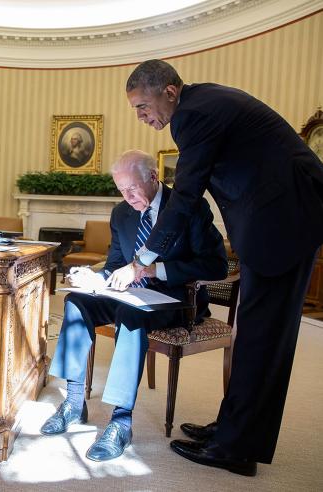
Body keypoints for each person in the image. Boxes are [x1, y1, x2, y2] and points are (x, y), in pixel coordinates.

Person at [123, 59, 323, 476]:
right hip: (276, 223)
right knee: (252, 334)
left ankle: (236, 448)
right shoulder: (203, 104)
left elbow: (186, 199)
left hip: (284, 225)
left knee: (262, 340)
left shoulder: (193, 114)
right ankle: (230, 429)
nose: (141, 116)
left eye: (143, 105)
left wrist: (143, 258)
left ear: (170, 92)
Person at [42, 150, 227, 462]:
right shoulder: (121, 214)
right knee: (76, 303)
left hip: (175, 301)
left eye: (132, 189)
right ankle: (74, 403)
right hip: (130, 295)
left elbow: (216, 266)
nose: (127, 197)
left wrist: (154, 270)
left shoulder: (188, 208)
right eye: (121, 190)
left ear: (153, 177)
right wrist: (94, 278)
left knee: (131, 315)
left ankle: (121, 422)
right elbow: (116, 264)